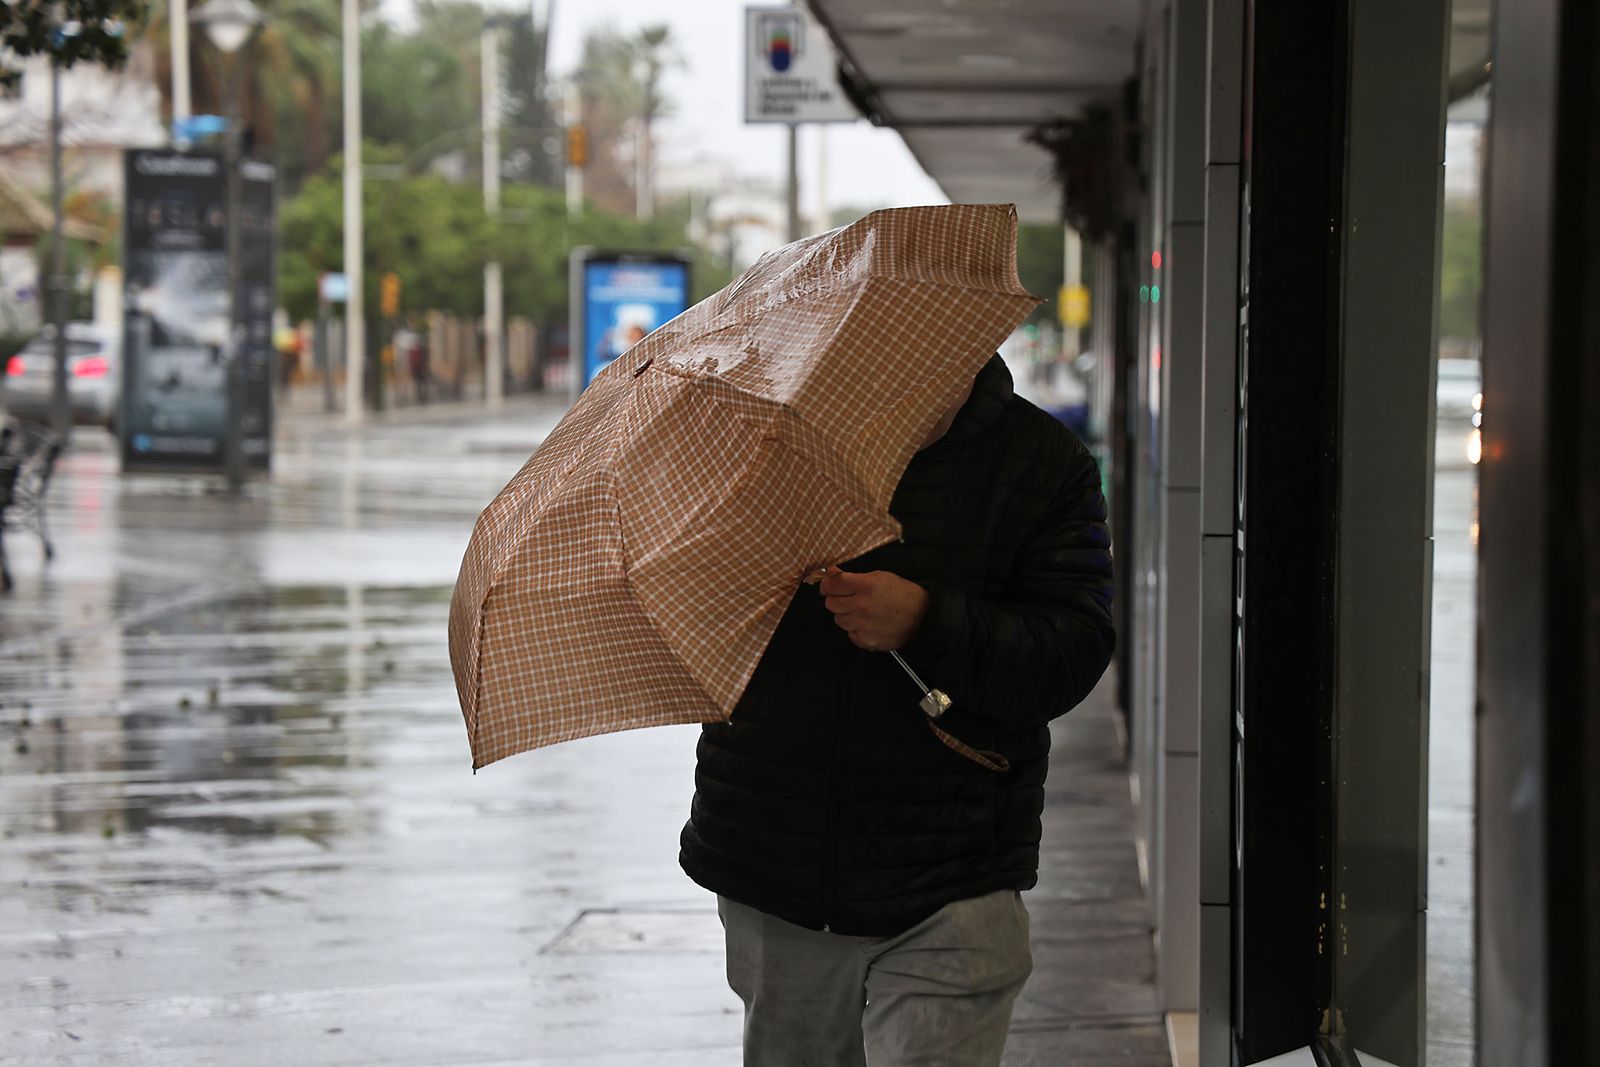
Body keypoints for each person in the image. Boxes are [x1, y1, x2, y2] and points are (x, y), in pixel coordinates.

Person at [679, 352, 1116, 1066]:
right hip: (777, 860)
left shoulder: (1041, 461)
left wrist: (928, 622)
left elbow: (1072, 650)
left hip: (956, 867)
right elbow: (691, 613)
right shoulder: (762, 444)